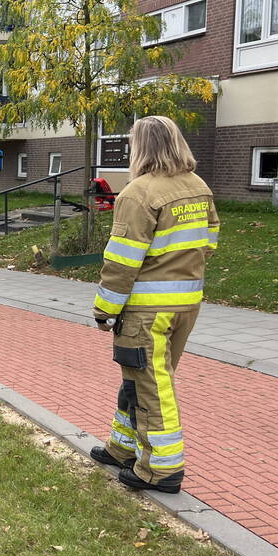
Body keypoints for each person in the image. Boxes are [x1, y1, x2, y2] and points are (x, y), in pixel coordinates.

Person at [90, 116, 220, 495]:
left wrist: (105, 309)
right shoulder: (198, 187)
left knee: (150, 386)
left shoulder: (138, 193)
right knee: (140, 379)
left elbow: (122, 262)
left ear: (142, 147)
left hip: (147, 311)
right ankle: (123, 447)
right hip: (186, 305)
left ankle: (161, 469)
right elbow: (209, 240)